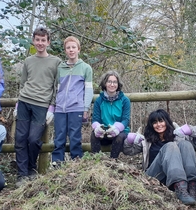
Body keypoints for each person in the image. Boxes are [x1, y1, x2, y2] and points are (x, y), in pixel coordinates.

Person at [123, 109, 196, 205]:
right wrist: (130, 139)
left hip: (182, 175)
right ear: (151, 125)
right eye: (154, 122)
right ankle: (180, 188)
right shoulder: (146, 141)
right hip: (155, 176)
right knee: (170, 146)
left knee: (186, 144)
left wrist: (189, 129)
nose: (158, 125)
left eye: (161, 121)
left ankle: (192, 187)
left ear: (167, 121)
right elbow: (127, 150)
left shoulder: (179, 135)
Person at [15, 27, 62, 186]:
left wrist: (52, 108)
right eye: (37, 40)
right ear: (33, 41)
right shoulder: (28, 61)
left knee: (34, 139)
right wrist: (17, 103)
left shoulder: (56, 62)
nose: (40, 43)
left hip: (41, 105)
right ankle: (22, 175)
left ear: (48, 42)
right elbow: (23, 83)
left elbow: (57, 86)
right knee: (20, 139)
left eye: (43, 40)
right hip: (24, 101)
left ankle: (31, 168)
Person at [51, 36, 93, 165]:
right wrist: (53, 106)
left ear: (78, 49)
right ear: (65, 51)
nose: (71, 50)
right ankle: (57, 164)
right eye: (68, 48)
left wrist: (86, 108)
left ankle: (76, 164)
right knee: (59, 137)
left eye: (73, 47)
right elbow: (56, 88)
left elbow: (89, 90)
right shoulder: (60, 68)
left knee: (75, 138)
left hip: (76, 107)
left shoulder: (86, 68)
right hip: (60, 108)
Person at [90, 71, 130, 159]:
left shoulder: (125, 100)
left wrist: (117, 128)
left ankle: (113, 161)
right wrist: (97, 128)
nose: (112, 85)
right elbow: (95, 119)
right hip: (104, 132)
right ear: (105, 83)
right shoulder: (99, 100)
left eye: (115, 82)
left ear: (118, 84)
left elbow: (125, 120)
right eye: (109, 81)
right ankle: (95, 161)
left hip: (120, 133)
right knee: (93, 134)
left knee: (119, 136)